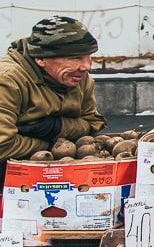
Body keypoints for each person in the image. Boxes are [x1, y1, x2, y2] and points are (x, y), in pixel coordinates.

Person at [0, 16, 107, 161]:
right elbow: (3, 145)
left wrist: (57, 128)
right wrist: (53, 146)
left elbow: (93, 124)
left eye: (89, 57)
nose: (86, 67)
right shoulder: (8, 79)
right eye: (75, 58)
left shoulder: (78, 77)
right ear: (41, 59)